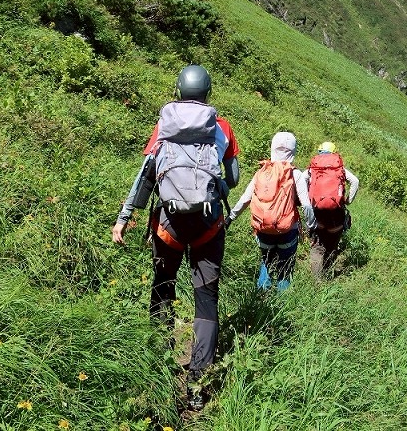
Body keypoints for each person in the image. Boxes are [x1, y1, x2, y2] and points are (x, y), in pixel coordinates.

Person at [111, 64, 239, 409]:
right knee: (206, 300)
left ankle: (159, 367)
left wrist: (124, 218)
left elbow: (146, 176)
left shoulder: (164, 126)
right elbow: (233, 178)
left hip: (168, 226)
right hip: (208, 228)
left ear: (179, 91)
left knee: (163, 287)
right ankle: (197, 386)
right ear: (208, 94)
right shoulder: (223, 127)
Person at [226, 132, 313, 292]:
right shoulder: (295, 174)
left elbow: (245, 199)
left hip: (263, 229)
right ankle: (282, 302)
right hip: (287, 230)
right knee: (284, 269)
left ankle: (261, 298)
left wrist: (230, 218)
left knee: (266, 263)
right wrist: (311, 226)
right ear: (293, 150)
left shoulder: (261, 172)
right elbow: (307, 206)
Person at [305, 141, 359, 279]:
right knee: (332, 245)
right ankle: (327, 276)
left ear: (319, 152)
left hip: (317, 213)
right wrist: (348, 200)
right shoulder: (339, 168)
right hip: (336, 213)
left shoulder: (313, 168)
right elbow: (355, 181)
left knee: (317, 246)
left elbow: (301, 179)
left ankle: (316, 282)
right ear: (334, 153)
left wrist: (307, 199)